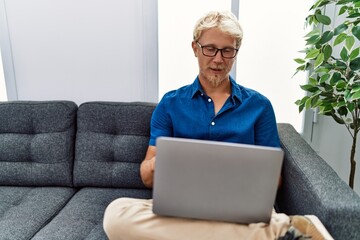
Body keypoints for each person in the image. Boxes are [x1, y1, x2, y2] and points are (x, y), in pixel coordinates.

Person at [103, 10, 332, 240]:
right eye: (210, 48)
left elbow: (275, 180)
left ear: (235, 53)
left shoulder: (259, 106)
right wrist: (162, 163)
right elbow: (147, 176)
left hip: (241, 207)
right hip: (182, 207)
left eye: (227, 51)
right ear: (195, 48)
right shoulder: (170, 104)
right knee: (116, 214)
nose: (218, 59)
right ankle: (279, 230)